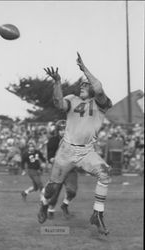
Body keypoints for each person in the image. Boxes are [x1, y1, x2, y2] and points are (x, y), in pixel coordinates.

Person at [37, 52, 112, 236]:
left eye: (86, 84)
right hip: (66, 150)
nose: (83, 86)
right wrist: (57, 82)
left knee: (105, 174)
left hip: (86, 151)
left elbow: (99, 87)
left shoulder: (101, 103)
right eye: (82, 84)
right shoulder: (72, 99)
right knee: (52, 188)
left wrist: (84, 69)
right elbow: (58, 103)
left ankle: (97, 214)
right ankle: (44, 204)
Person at [47, 120, 78, 219]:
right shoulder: (53, 141)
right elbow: (50, 158)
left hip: (70, 170)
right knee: (55, 192)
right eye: (60, 130)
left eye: (65, 129)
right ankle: (50, 210)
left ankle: (65, 204)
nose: (63, 132)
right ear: (57, 131)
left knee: (72, 191)